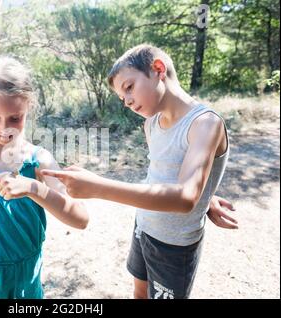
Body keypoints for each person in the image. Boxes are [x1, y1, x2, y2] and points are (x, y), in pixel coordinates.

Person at [41, 44, 236, 299]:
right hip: (143, 226)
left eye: (129, 87)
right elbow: (167, 173)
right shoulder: (150, 124)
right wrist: (206, 196)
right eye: (122, 98)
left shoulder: (205, 123)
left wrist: (98, 187)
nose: (127, 101)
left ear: (157, 69)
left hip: (176, 244)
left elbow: (185, 197)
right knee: (139, 290)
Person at [0, 56, 88, 299]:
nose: (4, 128)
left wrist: (33, 187)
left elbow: (80, 219)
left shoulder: (39, 161)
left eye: (15, 118)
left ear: (28, 107)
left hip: (28, 281)